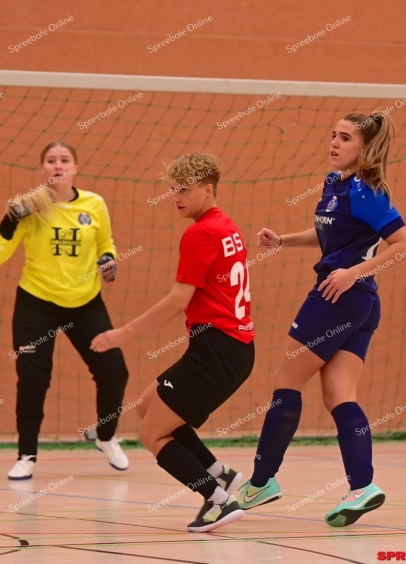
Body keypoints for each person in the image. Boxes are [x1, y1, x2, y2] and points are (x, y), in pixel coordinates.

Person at [235, 113, 406, 527]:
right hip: (360, 305)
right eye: (333, 135)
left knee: (286, 381)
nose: (334, 143)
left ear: (364, 148)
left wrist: (354, 271)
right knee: (339, 396)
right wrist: (282, 240)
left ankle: (261, 482)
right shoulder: (336, 185)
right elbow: (328, 235)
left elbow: (405, 244)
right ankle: (362, 487)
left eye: (345, 138)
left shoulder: (368, 191)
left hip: (338, 297)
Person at [92, 152, 255, 533]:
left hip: (217, 349)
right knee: (148, 406)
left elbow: (177, 299)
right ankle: (223, 475)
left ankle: (217, 500)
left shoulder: (199, 233)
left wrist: (122, 333)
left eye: (184, 189)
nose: (176, 196)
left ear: (208, 189)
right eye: (173, 189)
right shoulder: (225, 225)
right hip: (231, 348)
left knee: (151, 434)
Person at [0, 141, 130, 480]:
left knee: (114, 371)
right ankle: (27, 456)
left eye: (64, 159)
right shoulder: (30, 206)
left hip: (84, 303)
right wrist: (8, 220)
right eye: (50, 160)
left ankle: (105, 436)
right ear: (42, 169)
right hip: (37, 303)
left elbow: (105, 244)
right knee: (34, 380)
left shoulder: (94, 204)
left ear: (75, 168)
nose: (57, 165)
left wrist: (109, 260)